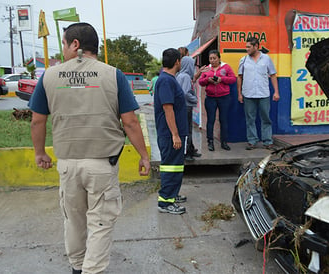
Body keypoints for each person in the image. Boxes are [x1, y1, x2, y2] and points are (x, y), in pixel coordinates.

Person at [28, 22, 151, 274]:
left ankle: (76, 267)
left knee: (73, 221)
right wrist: (144, 156)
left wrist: (40, 152)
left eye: (63, 43)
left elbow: (37, 120)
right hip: (101, 166)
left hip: (67, 164)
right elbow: (129, 121)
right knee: (101, 222)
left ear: (75, 44)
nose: (62, 49)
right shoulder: (112, 74)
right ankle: (92, 270)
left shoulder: (49, 77)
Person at [154, 48, 188, 215]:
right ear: (177, 62)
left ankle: (172, 195)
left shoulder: (168, 79)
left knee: (176, 166)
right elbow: (168, 108)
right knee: (170, 167)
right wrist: (175, 134)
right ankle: (165, 201)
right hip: (170, 134)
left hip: (173, 133)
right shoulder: (166, 81)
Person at [237, 37, 280, 150]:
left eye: (248, 47)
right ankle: (252, 141)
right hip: (248, 94)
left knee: (265, 118)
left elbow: (273, 75)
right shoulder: (244, 60)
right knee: (250, 119)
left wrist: (276, 92)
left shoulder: (266, 59)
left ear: (256, 46)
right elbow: (240, 77)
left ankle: (267, 141)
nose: (247, 49)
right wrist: (239, 94)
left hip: (263, 94)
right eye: (246, 47)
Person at [199, 49, 236, 151]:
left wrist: (222, 79)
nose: (212, 60)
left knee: (223, 120)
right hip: (210, 98)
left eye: (214, 58)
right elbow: (201, 82)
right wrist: (208, 80)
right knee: (210, 120)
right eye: (210, 58)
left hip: (224, 97)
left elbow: (233, 79)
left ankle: (224, 142)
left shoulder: (226, 67)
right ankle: (210, 142)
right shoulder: (207, 69)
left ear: (219, 58)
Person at [176, 56, 201, 161]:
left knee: (187, 129)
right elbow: (186, 92)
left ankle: (190, 149)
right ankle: (187, 153)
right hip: (186, 106)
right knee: (187, 130)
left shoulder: (180, 75)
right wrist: (195, 99)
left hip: (183, 106)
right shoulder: (185, 77)